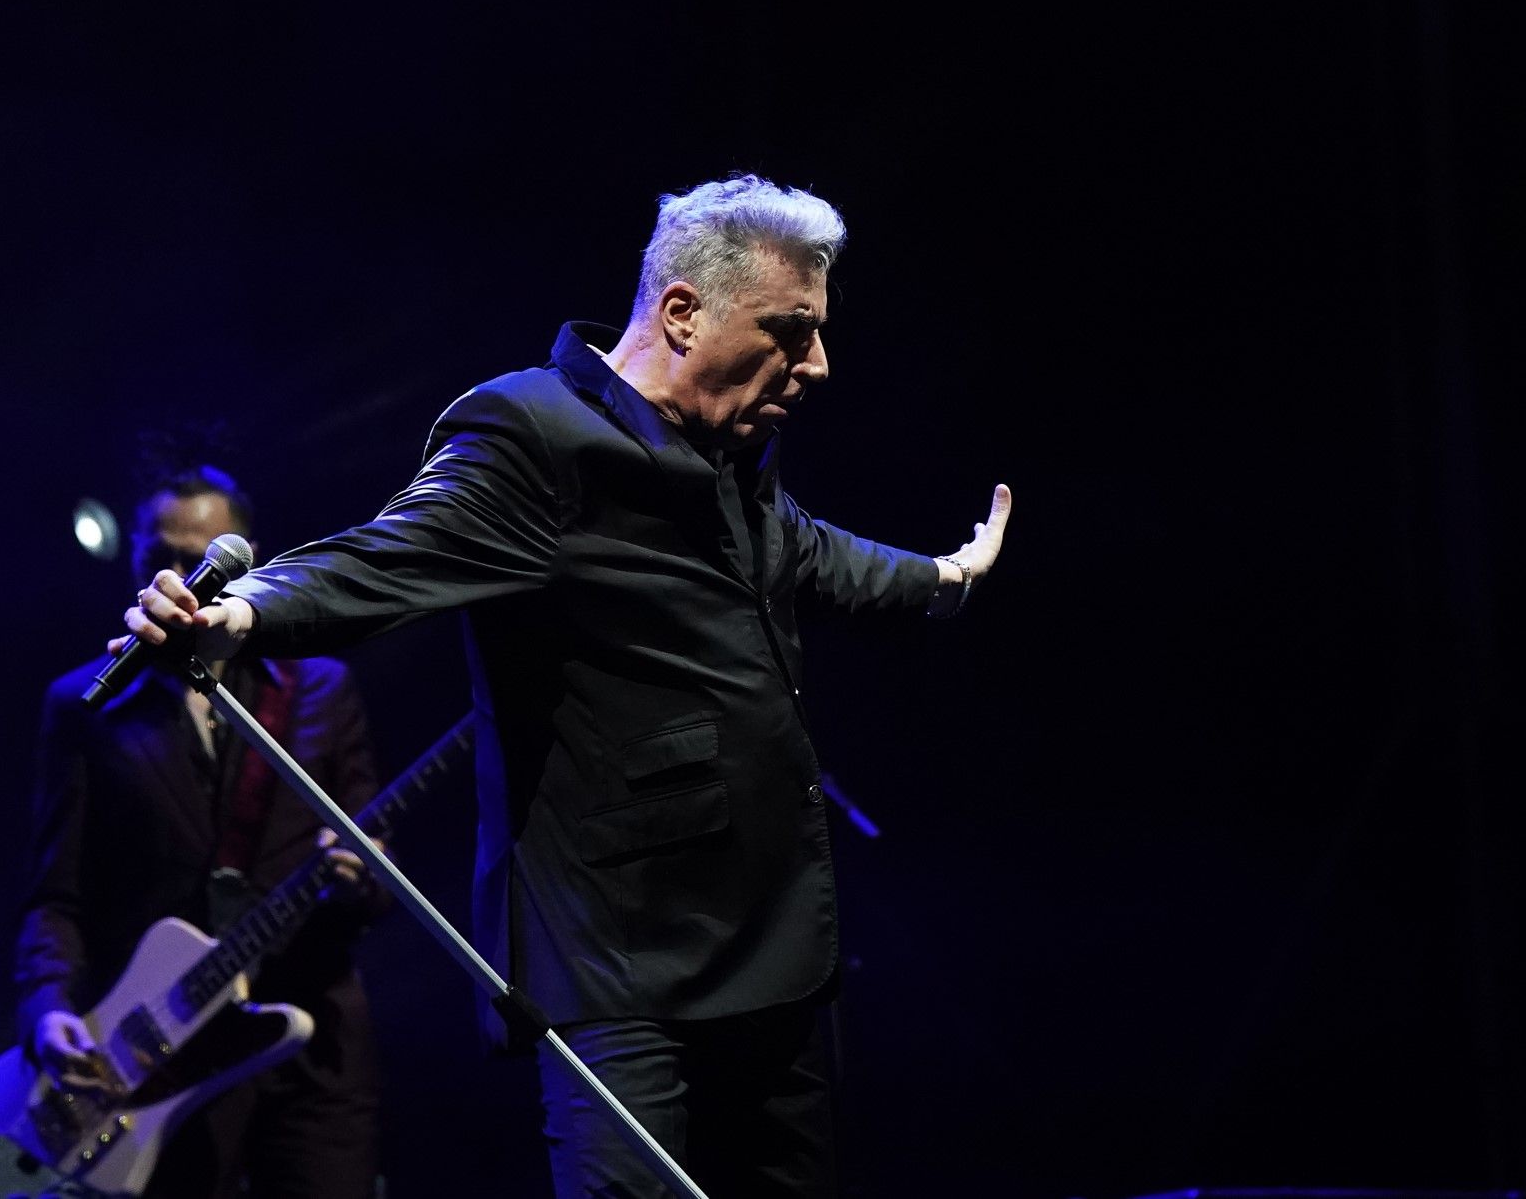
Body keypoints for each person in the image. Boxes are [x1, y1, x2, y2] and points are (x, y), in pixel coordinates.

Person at [123, 174, 1012, 1197]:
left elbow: (804, 555)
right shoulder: (533, 432)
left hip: (773, 955)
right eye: (789, 328)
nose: (816, 363)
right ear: (681, 313)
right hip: (621, 966)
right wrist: (241, 615)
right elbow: (393, 552)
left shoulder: (731, 445)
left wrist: (944, 579)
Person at [19, 461, 386, 1199]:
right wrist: (50, 1010)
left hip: (309, 1049)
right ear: (133, 560)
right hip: (168, 1060)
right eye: (164, 557)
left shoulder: (320, 689)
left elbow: (371, 879)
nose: (182, 577)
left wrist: (360, 874)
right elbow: (56, 895)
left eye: (204, 558)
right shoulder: (85, 707)